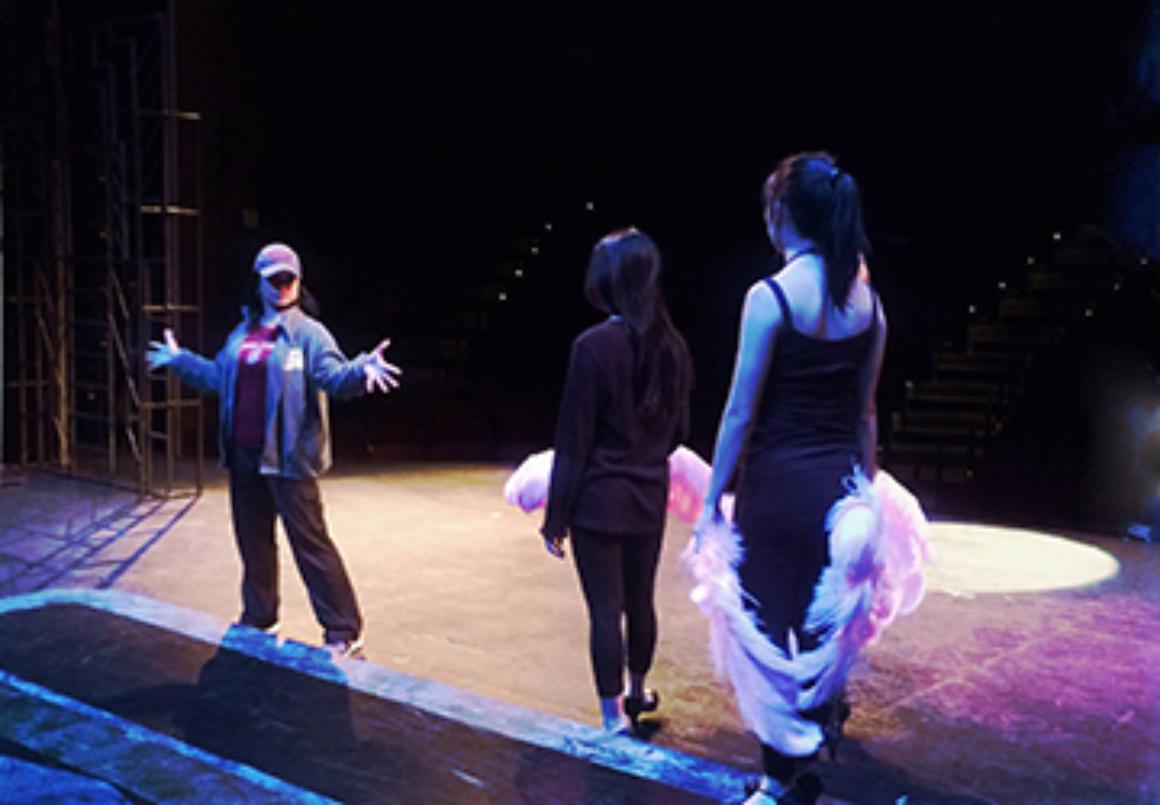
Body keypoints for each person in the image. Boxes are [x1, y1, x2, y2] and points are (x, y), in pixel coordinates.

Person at [696, 153, 886, 803]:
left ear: (781, 215)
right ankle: (813, 734)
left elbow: (740, 411)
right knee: (818, 620)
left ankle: (777, 779)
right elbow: (866, 416)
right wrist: (869, 492)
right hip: (837, 490)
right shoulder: (868, 299)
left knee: (769, 626)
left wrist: (712, 504)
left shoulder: (770, 295)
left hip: (775, 490)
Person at [147, 242, 401, 657]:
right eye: (274, 279)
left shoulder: (309, 334)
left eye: (290, 279)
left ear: (299, 281)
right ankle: (260, 616)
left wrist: (362, 370)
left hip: (288, 459)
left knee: (311, 545)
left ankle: (343, 629)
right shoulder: (242, 331)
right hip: (245, 455)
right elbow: (217, 378)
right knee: (253, 542)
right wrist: (181, 361)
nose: (283, 286)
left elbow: (334, 377)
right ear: (259, 282)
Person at [541, 228, 693, 733]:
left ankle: (612, 718)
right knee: (640, 599)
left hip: (598, 503)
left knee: (605, 611)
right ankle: (636, 690)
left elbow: (574, 441)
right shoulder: (674, 347)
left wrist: (555, 518)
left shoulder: (592, 347)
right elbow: (681, 432)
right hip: (648, 496)